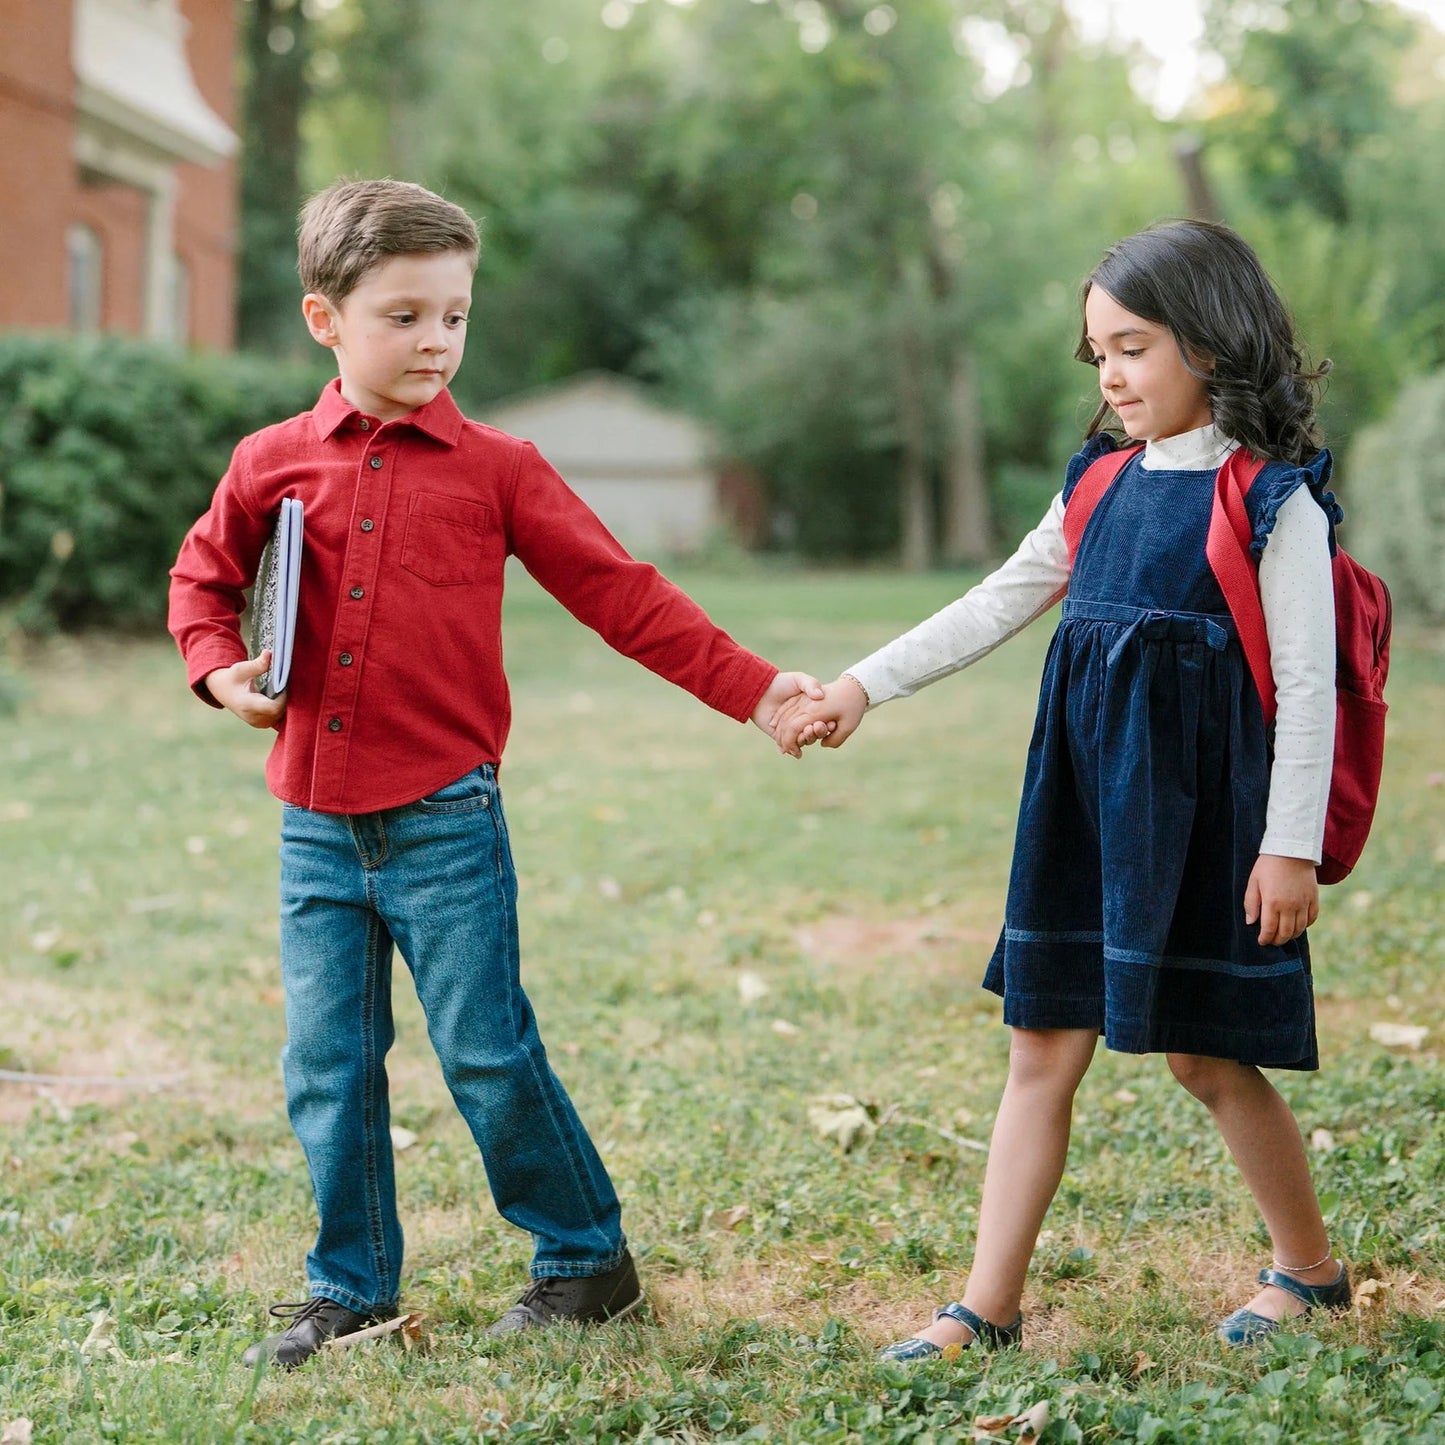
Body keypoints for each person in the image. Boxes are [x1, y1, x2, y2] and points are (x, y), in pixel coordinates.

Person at [169, 178, 822, 1369]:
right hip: (314, 822)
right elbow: (201, 584)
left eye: (454, 317)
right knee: (325, 1061)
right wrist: (221, 674)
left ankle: (585, 1260)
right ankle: (349, 1289)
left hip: (444, 819)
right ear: (326, 319)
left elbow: (624, 595)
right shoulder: (270, 462)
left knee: (484, 1047)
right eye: (404, 316)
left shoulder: (499, 469)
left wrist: (759, 688)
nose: (435, 342)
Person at [771, 219, 1352, 1357]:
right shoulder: (1096, 486)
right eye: (1095, 352)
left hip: (1207, 823)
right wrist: (857, 685)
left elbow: (1306, 684)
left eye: (1130, 347)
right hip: (1084, 806)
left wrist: (1287, 846)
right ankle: (983, 1304)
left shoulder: (1271, 503)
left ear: (1212, 341)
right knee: (1039, 1042)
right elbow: (994, 600)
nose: (1109, 375)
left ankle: (1309, 1269)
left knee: (1204, 1053)